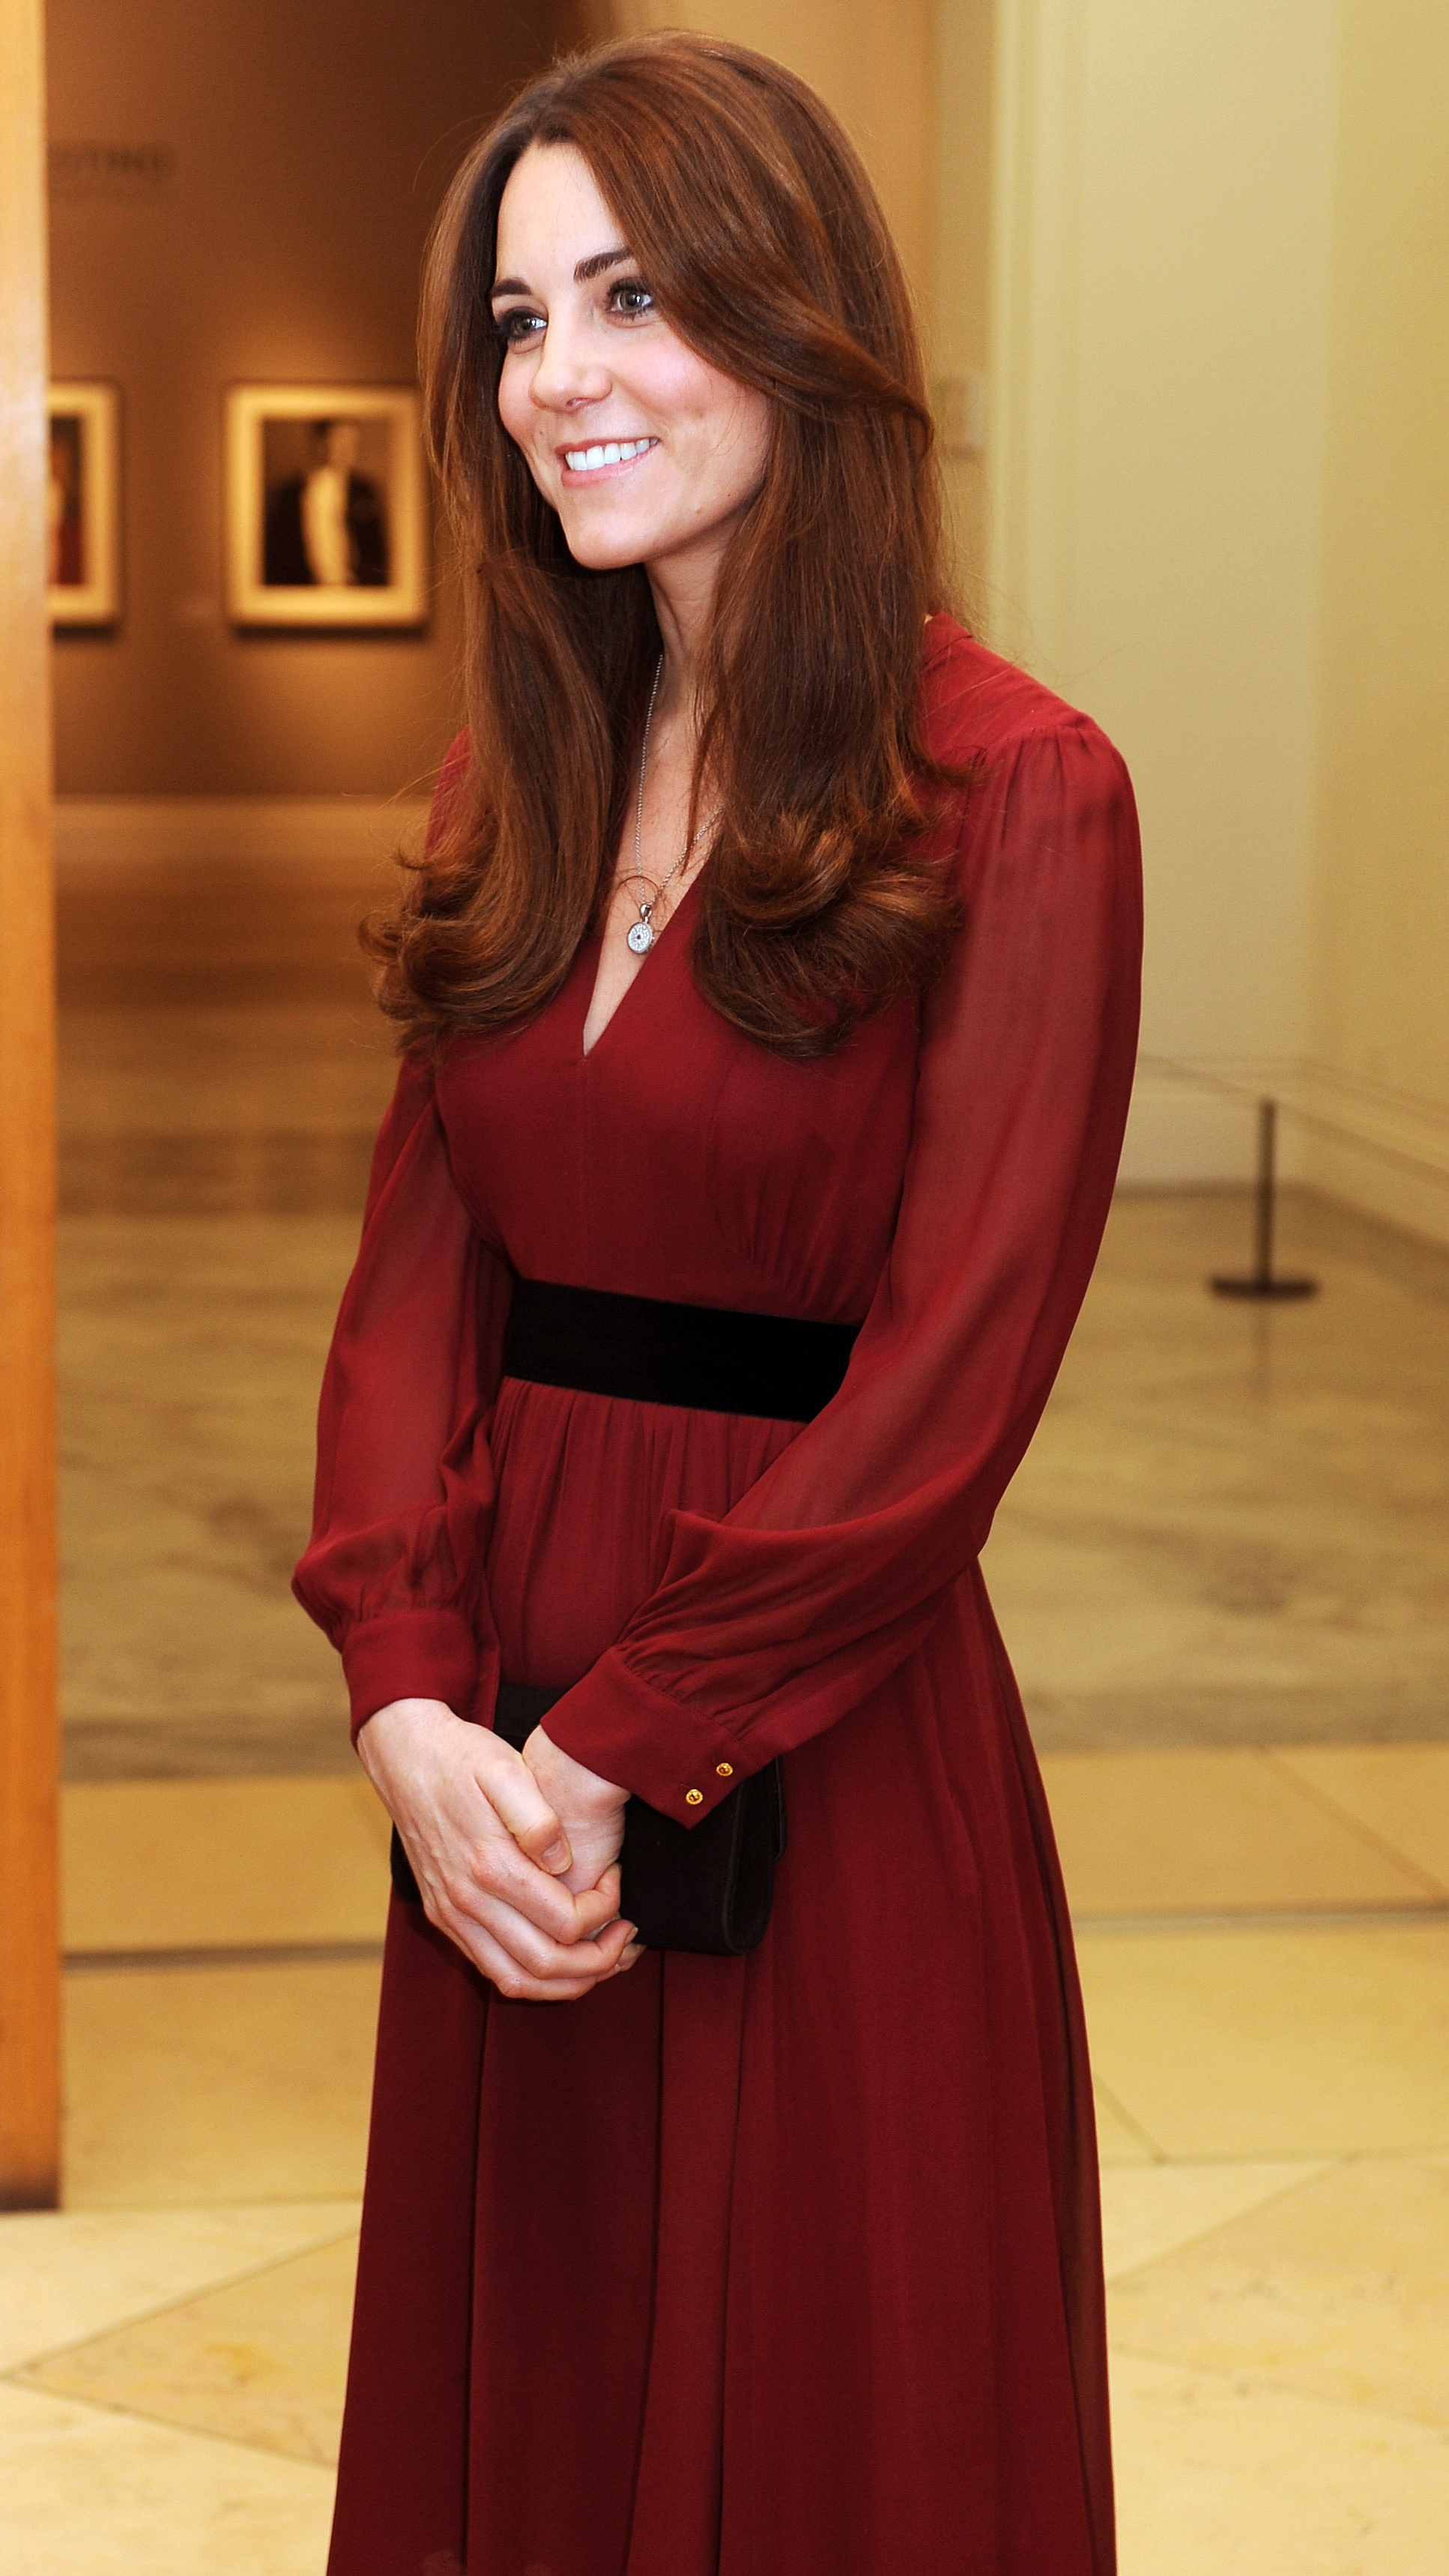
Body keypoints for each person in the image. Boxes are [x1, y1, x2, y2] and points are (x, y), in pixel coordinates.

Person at [294, 31, 1141, 2576]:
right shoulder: (506, 776)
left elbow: (955, 1377)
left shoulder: (1019, 788)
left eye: (634, 295)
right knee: (530, 2396)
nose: (565, 377)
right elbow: (410, 1283)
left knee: (812, 2416)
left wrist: (614, 1743)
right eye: (521, 319)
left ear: (793, 320)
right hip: (499, 1760)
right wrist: (413, 1698)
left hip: (808, 1719)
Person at [263, 418, 387, 587]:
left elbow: (377, 547)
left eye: (352, 442)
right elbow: (278, 551)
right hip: (302, 588)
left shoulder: (364, 491)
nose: (347, 448)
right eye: (340, 440)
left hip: (356, 588)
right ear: (322, 443)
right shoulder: (290, 493)